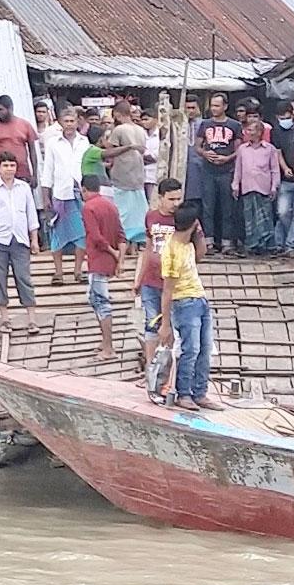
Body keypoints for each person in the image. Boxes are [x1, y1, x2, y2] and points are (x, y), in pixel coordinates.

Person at [157, 203, 223, 412]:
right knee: (190, 349)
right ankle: (184, 393)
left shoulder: (187, 244)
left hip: (199, 299)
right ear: (194, 223)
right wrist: (165, 324)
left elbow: (200, 255)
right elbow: (167, 290)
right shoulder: (171, 249)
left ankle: (200, 393)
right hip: (183, 303)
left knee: (204, 350)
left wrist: (200, 235)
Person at [135, 178, 199, 375]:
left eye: (179, 198)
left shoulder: (184, 220)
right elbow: (147, 249)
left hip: (174, 283)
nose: (176, 203)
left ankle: (167, 373)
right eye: (171, 199)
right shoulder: (151, 217)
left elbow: (197, 252)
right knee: (151, 323)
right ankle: (150, 371)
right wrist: (138, 278)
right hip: (151, 280)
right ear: (160, 197)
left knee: (170, 326)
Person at [0, 151, 41, 335]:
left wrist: (34, 239)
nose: (9, 169)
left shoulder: (23, 187)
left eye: (12, 165)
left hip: (20, 239)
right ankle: (5, 319)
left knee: (24, 277)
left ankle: (31, 319)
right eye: (5, 165)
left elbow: (31, 214)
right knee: (0, 278)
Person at [40, 108, 90, 285]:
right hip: (60, 194)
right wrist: (45, 196)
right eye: (66, 121)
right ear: (60, 123)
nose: (69, 124)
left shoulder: (84, 142)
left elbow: (88, 167)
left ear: (77, 122)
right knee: (58, 234)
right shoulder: (53, 143)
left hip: (80, 194)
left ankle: (78, 270)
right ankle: (58, 272)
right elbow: (47, 171)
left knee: (81, 234)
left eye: (72, 121)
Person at [80, 174, 124, 360]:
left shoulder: (88, 207)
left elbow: (96, 237)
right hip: (108, 260)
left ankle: (109, 347)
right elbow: (122, 235)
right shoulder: (111, 205)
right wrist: (119, 259)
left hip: (98, 259)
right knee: (95, 299)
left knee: (101, 302)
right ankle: (104, 342)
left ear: (84, 189)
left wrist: (112, 252)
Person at [195, 92, 242, 255]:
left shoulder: (234, 125)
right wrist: (205, 154)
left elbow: (239, 149)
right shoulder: (205, 124)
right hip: (208, 170)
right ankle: (208, 242)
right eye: (212, 105)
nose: (214, 109)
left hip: (226, 171)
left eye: (217, 105)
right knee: (208, 206)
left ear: (225, 107)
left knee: (227, 208)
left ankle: (227, 242)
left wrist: (227, 158)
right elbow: (198, 146)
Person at [232, 121, 281, 256]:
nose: (249, 133)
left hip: (263, 188)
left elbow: (274, 169)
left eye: (252, 130)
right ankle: (251, 246)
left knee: (265, 217)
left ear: (260, 132)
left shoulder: (269, 149)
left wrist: (274, 187)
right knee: (249, 218)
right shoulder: (242, 149)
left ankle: (267, 246)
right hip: (247, 188)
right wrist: (235, 185)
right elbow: (238, 169)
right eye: (248, 130)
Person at [106, 101, 149, 250]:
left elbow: (109, 152)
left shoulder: (119, 130)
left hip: (122, 176)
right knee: (137, 213)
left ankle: (122, 241)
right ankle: (134, 245)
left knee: (121, 212)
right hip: (137, 176)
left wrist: (126, 147)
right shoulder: (141, 130)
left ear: (117, 114)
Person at [271, 100, 294, 254]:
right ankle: (284, 243)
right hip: (285, 180)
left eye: (286, 117)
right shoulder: (276, 131)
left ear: (292, 114)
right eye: (281, 118)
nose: (283, 121)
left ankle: (290, 245)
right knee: (283, 212)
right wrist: (285, 168)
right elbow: (277, 152)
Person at [0, 95, 40, 184]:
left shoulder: (25, 125)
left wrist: (34, 175)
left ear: (10, 108)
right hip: (1, 176)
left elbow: (33, 152)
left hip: (22, 174)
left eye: (1, 109)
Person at [183, 95, 205, 212]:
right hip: (182, 168)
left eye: (193, 108)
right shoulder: (178, 125)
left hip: (200, 168)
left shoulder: (205, 124)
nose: (190, 111)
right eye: (187, 108)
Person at [140, 108, 161, 203]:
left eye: (147, 119)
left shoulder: (161, 135)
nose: (144, 122)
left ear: (156, 120)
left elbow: (157, 156)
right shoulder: (140, 134)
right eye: (142, 119)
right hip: (140, 175)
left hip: (154, 175)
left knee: (152, 201)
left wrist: (144, 157)